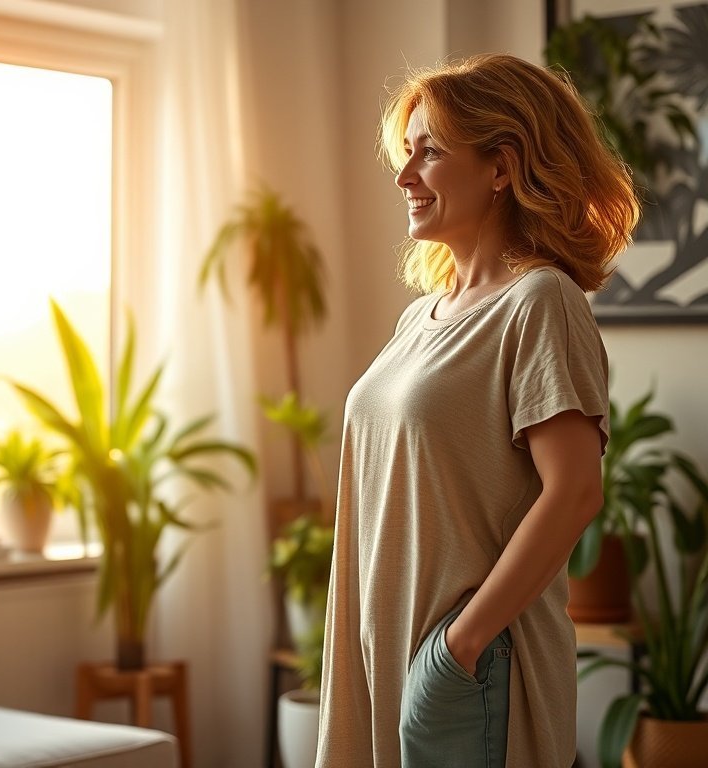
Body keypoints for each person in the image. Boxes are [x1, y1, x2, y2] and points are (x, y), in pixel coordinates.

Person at [315, 53, 640, 768]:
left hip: (468, 668)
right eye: (407, 153)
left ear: (502, 168)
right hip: (387, 650)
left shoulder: (541, 302)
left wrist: (458, 648)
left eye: (429, 154)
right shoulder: (418, 320)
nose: (405, 177)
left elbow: (575, 491)